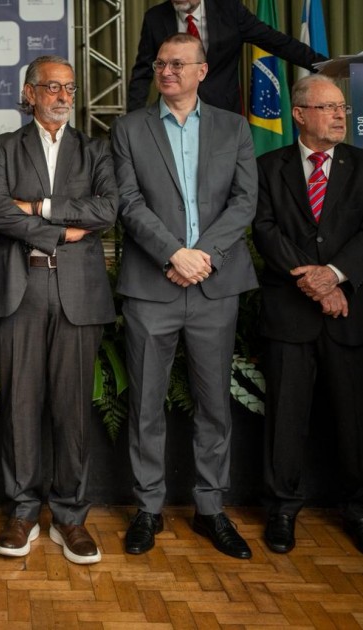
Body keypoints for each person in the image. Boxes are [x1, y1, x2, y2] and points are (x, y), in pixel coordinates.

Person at [112, 33, 259, 559]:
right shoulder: (129, 128)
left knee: (214, 405)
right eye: (160, 63)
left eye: (178, 63)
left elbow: (245, 202)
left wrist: (203, 256)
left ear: (202, 69)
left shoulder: (233, 127)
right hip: (154, 286)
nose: (167, 70)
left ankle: (210, 509)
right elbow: (127, 202)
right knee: (146, 403)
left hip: (216, 286)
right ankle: (148, 508)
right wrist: (174, 253)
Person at [0, 55, 117, 565]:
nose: (61, 96)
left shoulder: (94, 148)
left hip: (78, 291)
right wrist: (62, 231)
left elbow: (107, 210)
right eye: (51, 87)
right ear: (30, 92)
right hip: (22, 286)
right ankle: (21, 512)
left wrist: (38, 207)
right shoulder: (4, 147)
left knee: (72, 409)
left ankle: (71, 518)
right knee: (20, 405)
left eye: (69, 88)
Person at [252, 75, 363, 555]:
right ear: (299, 114)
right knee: (286, 416)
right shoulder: (265, 166)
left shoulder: (362, 166)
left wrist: (336, 275)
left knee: (355, 416)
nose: (340, 115)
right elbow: (263, 229)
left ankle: (358, 506)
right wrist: (315, 283)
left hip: (349, 312)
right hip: (289, 313)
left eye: (342, 107)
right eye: (328, 107)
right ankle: (282, 508)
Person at [127, 0, 326, 113]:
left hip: (222, 112)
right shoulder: (155, 18)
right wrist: (133, 120)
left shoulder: (230, 10)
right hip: (173, 112)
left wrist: (325, 65)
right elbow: (143, 71)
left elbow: (276, 42)